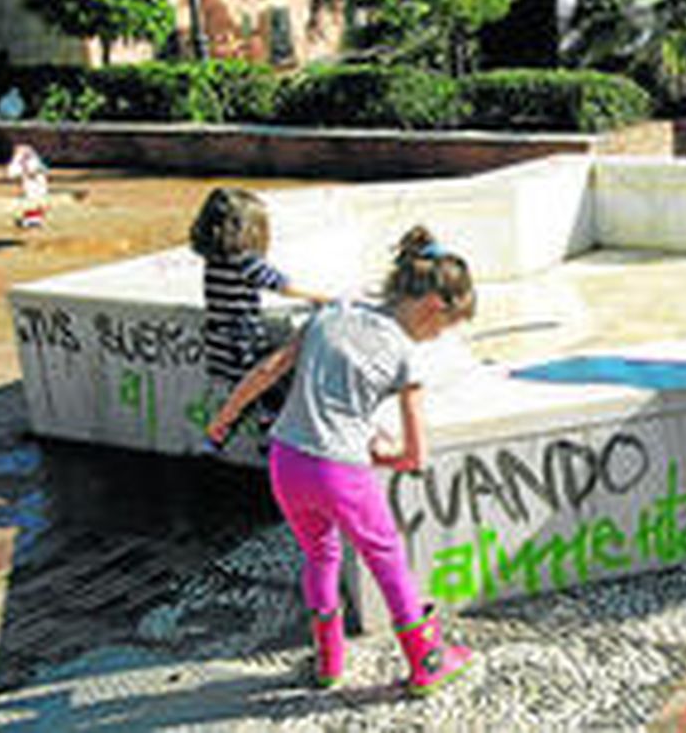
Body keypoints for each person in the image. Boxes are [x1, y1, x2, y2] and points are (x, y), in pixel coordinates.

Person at [205, 226, 477, 694]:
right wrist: (383, 454)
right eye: (445, 327)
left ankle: (329, 662)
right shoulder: (405, 355)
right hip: (340, 471)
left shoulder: (334, 312)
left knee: (319, 554)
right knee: (386, 558)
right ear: (434, 306)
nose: (438, 337)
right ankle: (426, 661)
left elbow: (269, 370)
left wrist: (223, 419)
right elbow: (415, 456)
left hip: (286, 461)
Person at [190, 188, 326, 438]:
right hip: (243, 345)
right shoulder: (245, 261)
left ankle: (217, 440)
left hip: (218, 344)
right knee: (270, 390)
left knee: (244, 401)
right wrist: (321, 298)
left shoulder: (214, 260)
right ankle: (270, 443)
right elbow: (282, 286)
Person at [5, 144, 48, 229]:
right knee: (30, 201)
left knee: (37, 201)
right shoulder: (19, 159)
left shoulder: (32, 158)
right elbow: (13, 173)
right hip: (30, 182)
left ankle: (34, 220)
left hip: (36, 181)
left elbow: (39, 170)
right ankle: (31, 220)